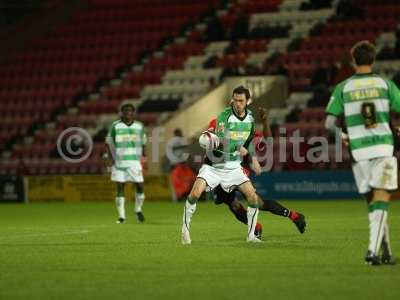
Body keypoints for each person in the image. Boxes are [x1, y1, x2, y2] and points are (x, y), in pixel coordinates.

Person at [325, 40, 399, 265]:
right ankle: (372, 251)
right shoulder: (385, 85)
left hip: (358, 152)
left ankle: (384, 250)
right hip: (384, 148)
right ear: (373, 60)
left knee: (373, 201)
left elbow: (329, 123)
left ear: (353, 61)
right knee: (382, 197)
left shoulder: (343, 88)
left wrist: (344, 137)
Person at [181, 86, 262, 244]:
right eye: (235, 100)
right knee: (195, 194)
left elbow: (249, 140)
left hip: (233, 167)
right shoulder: (224, 116)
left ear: (247, 101)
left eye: (241, 101)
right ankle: (185, 231)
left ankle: (251, 236)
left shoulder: (250, 120)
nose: (237, 103)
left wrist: (252, 158)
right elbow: (222, 140)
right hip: (213, 166)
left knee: (253, 198)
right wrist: (238, 146)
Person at [209, 107, 306, 237]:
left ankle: (294, 216)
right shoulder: (216, 123)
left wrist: (265, 121)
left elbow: (268, 139)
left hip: (238, 169)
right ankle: (256, 227)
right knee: (234, 205)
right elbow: (209, 140)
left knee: (258, 202)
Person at [105, 102, 147, 224]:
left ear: (133, 113)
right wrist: (109, 158)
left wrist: (145, 157)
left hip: (134, 161)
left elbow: (143, 143)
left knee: (140, 185)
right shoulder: (115, 126)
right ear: (122, 113)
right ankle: (122, 216)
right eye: (126, 111)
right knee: (120, 187)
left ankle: (138, 210)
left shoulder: (139, 126)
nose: (128, 113)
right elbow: (108, 142)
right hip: (119, 162)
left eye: (130, 111)